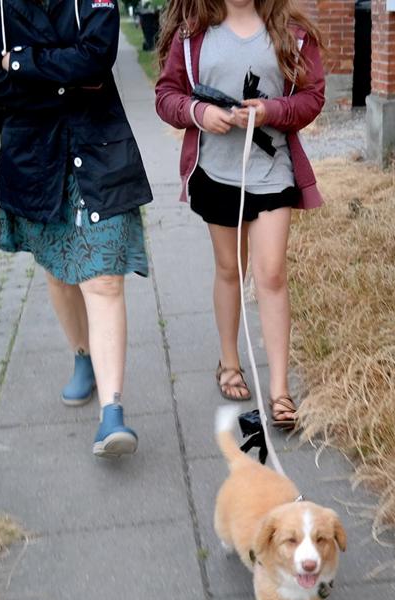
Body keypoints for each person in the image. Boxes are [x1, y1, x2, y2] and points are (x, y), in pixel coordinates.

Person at [0, 0, 153, 457]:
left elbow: (97, 56)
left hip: (98, 145)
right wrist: (70, 80)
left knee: (104, 279)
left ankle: (112, 413)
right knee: (59, 269)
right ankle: (83, 354)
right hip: (35, 154)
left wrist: (25, 62)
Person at [154, 0, 324, 430]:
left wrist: (271, 112)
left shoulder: (291, 30)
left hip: (272, 171)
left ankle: (280, 389)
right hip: (216, 173)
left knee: (271, 275)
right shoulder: (192, 35)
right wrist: (199, 112)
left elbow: (312, 97)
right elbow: (166, 95)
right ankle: (230, 362)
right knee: (230, 269)